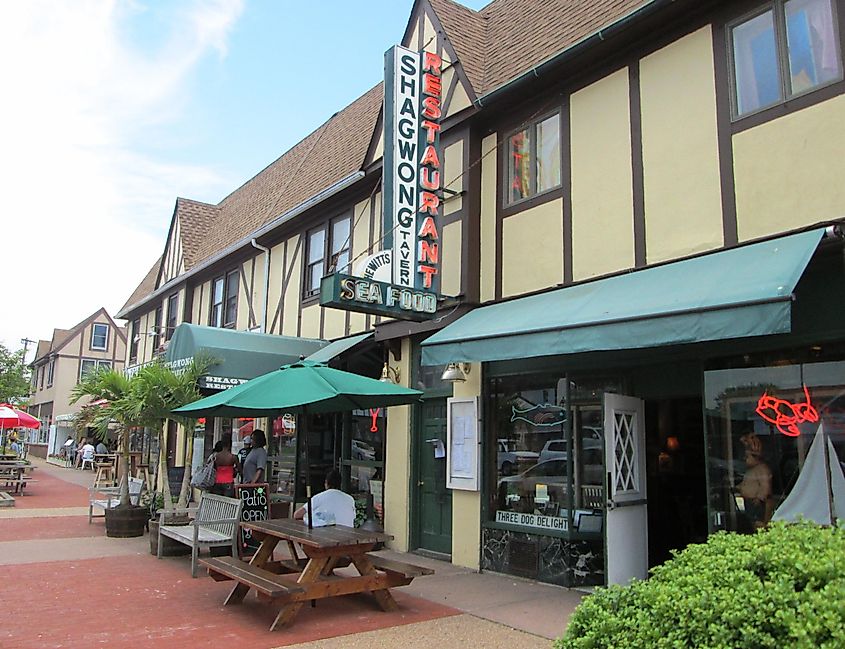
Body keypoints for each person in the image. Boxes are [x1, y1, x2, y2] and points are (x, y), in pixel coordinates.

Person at [210, 433, 239, 498]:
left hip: (218, 481)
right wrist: (235, 470)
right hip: (228, 482)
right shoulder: (233, 457)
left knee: (218, 502)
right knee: (229, 502)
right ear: (230, 444)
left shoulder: (216, 456)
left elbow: (214, 468)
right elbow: (240, 470)